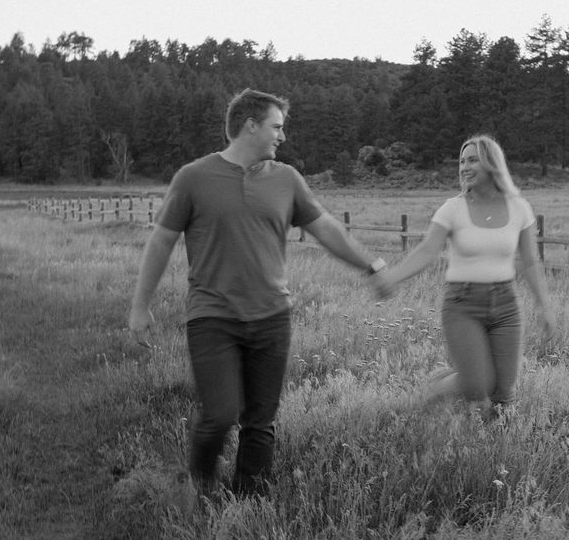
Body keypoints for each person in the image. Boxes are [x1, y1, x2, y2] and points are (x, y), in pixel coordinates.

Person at [128, 88, 388, 499]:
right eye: (276, 127)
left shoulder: (286, 179)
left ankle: (247, 504)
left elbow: (327, 230)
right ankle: (198, 489)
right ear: (250, 126)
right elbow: (160, 242)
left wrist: (371, 266)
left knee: (261, 422)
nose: (282, 137)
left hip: (272, 319)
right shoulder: (193, 177)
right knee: (219, 415)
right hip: (212, 316)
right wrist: (140, 306)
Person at [374, 134, 554, 418]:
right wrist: (392, 277)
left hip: (506, 305)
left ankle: (492, 449)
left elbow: (531, 262)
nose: (464, 167)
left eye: (472, 160)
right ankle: (438, 387)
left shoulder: (519, 207)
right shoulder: (453, 208)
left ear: (491, 164)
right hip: (462, 305)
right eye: (461, 161)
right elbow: (426, 251)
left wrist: (544, 307)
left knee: (503, 393)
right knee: (477, 386)